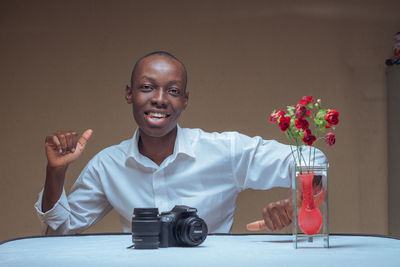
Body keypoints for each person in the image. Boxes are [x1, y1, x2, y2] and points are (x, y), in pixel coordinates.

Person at [35, 51, 326, 235]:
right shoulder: (108, 165)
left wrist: (305, 201)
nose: (160, 98)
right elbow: (60, 231)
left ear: (184, 100)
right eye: (147, 87)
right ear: (129, 93)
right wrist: (56, 172)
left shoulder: (226, 151)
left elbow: (315, 160)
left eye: (172, 90)